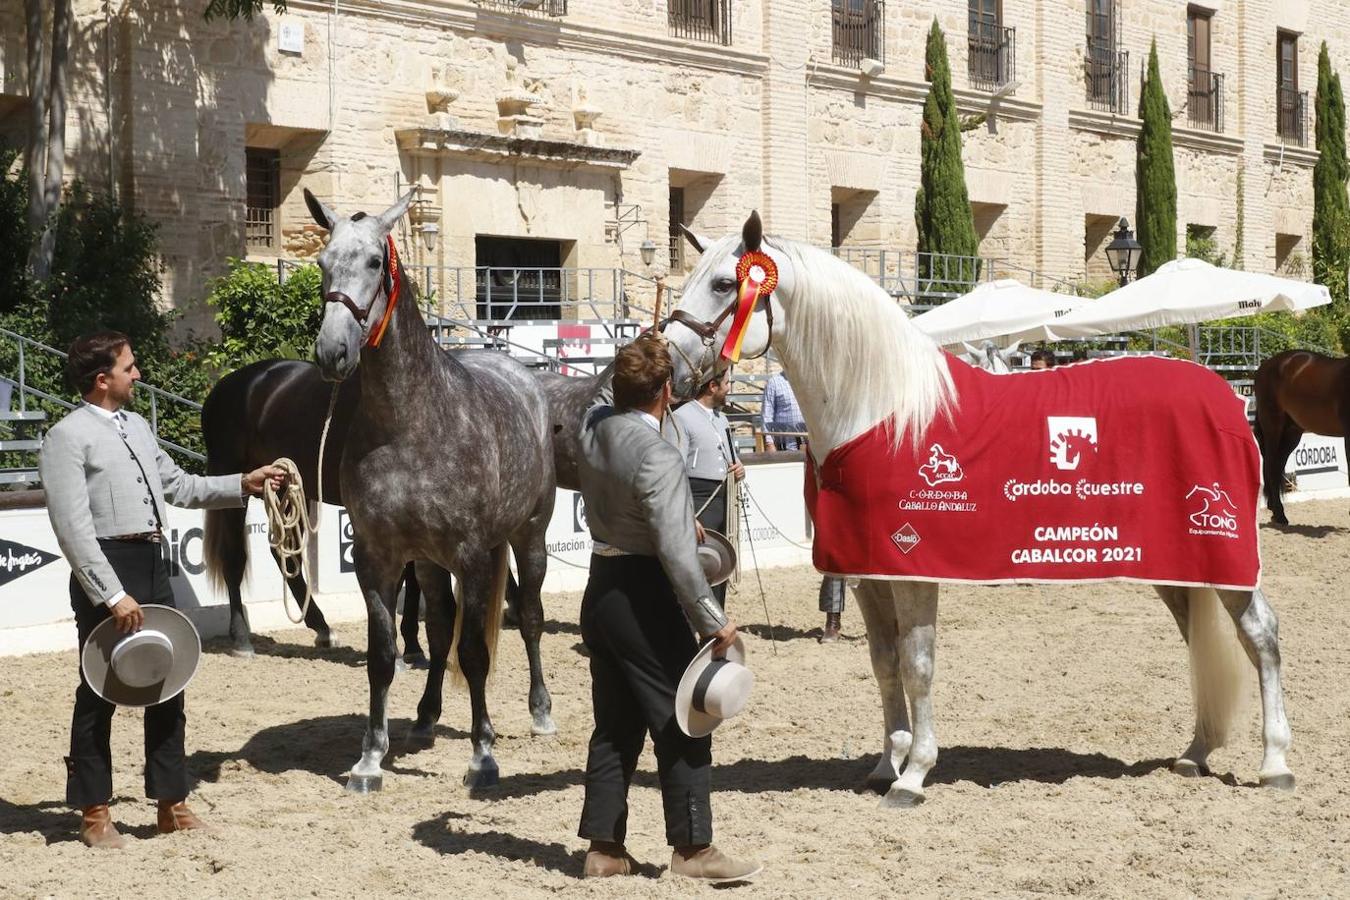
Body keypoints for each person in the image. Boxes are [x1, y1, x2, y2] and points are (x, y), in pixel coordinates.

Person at [39, 331, 285, 849]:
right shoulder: (67, 437)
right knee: (99, 690)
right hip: (109, 569)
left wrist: (244, 482)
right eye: (130, 368)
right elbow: (72, 529)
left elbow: (179, 486)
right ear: (103, 379)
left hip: (153, 562)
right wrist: (110, 594)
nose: (138, 375)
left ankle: (171, 803)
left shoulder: (138, 427)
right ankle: (94, 810)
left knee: (168, 685)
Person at [575, 332, 761, 882]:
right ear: (666, 392)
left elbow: (596, 396)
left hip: (601, 586)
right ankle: (693, 849)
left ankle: (604, 848)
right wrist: (714, 620)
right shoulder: (658, 453)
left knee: (614, 725)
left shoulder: (593, 427)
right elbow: (681, 559)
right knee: (685, 720)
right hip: (644, 595)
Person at [673, 369, 745, 608]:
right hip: (699, 497)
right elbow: (677, 469)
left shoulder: (721, 418)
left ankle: (717, 617)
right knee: (698, 563)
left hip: (723, 496)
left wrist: (739, 469)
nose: (729, 388)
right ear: (712, 387)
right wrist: (688, 514)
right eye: (726, 383)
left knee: (719, 561)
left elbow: (729, 457)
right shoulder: (682, 417)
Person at [760, 370, 806, 451]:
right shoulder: (774, 383)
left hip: (808, 446)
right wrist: (769, 443)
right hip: (784, 447)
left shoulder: (807, 381)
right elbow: (766, 415)